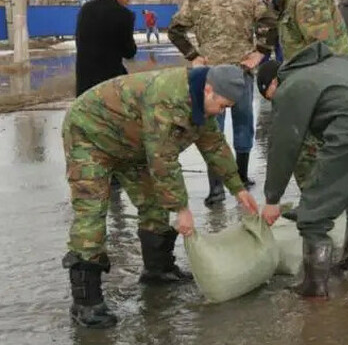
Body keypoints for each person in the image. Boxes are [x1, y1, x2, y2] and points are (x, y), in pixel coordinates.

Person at [61, 64, 260, 329]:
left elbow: (214, 146)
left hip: (133, 143)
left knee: (154, 202)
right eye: (222, 105)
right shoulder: (168, 98)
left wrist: (238, 188)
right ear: (209, 90)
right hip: (90, 135)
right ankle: (86, 303)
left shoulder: (200, 101)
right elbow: (163, 160)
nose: (221, 112)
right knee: (92, 213)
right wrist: (182, 209)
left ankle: (158, 269)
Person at [255, 41, 348, 298]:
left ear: (272, 85)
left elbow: (283, 145)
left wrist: (272, 198)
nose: (274, 102)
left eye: (270, 98)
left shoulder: (291, 87)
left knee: (313, 217)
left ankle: (314, 288)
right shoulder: (335, 64)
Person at [241, 0, 348, 194]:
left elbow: (322, 52)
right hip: (314, 83)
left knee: (308, 147)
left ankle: (319, 206)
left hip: (331, 85)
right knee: (303, 146)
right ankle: (317, 201)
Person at [168, 0, 274, 207]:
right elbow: (270, 21)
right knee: (243, 123)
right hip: (242, 70)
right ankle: (243, 177)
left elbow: (174, 30)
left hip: (210, 75)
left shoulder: (195, 0)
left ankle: (215, 188)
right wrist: (260, 51)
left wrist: (194, 56)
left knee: (211, 130)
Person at [75, 0, 136, 97]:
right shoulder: (124, 15)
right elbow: (129, 52)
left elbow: (79, 41)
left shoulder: (86, 9)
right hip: (109, 84)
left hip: (85, 83)